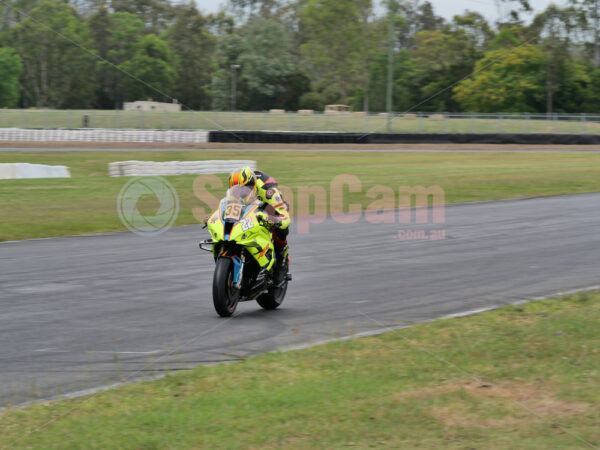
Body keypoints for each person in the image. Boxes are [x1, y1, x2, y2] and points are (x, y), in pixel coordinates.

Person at [228, 167, 290, 285]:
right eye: (236, 190)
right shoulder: (235, 192)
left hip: (271, 204)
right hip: (254, 205)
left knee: (280, 226)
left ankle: (282, 259)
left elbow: (285, 216)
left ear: (253, 185)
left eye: (245, 189)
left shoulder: (268, 191)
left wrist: (276, 221)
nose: (241, 193)